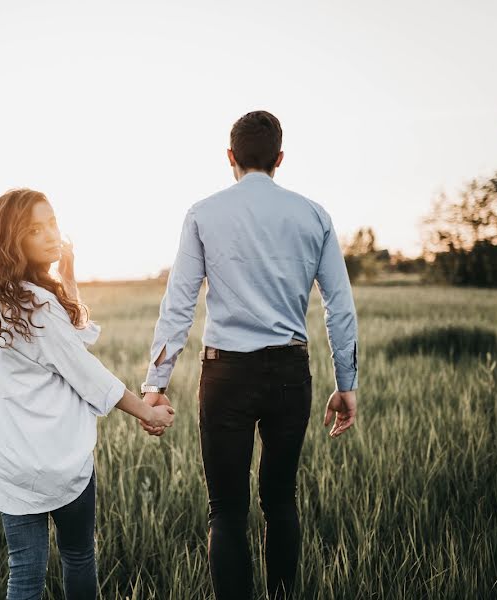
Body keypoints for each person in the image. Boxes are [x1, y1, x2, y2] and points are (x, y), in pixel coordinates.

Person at [138, 110, 359, 599]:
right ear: (280, 159)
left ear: (230, 158)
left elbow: (178, 303)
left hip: (225, 375)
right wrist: (346, 385)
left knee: (227, 511)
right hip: (289, 372)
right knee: (281, 502)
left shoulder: (202, 213)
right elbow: (339, 307)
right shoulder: (314, 215)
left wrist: (155, 385)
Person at [0, 188, 175, 600]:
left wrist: (66, 278)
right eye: (35, 229)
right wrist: (146, 412)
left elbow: (73, 337)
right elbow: (86, 372)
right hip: (62, 460)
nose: (50, 234)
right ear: (15, 241)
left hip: (14, 462)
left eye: (52, 223)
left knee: (24, 576)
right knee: (79, 556)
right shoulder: (40, 307)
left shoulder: (1, 300)